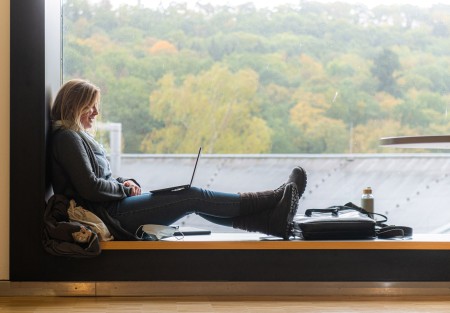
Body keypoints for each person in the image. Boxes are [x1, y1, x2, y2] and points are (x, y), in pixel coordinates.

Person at [50, 79, 307, 240]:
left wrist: (124, 181)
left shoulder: (77, 137)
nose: (96, 112)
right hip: (107, 214)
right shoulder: (67, 138)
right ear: (74, 106)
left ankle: (268, 222)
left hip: (112, 207)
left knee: (192, 200)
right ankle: (273, 199)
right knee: (191, 196)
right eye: (90, 106)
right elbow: (90, 187)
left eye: (96, 105)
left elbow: (98, 179)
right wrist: (123, 189)